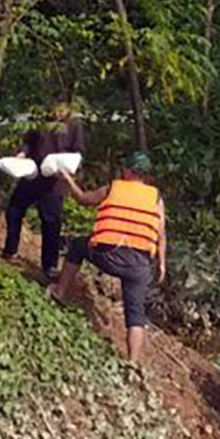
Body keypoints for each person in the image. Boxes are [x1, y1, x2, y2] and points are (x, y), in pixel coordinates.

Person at [49, 152, 165, 364]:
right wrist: (162, 265)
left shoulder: (113, 188)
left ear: (128, 171)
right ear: (145, 175)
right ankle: (132, 361)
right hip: (138, 266)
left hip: (107, 255)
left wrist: (68, 180)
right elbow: (160, 234)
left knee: (76, 246)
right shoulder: (156, 197)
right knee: (135, 312)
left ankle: (59, 291)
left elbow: (83, 199)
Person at [0, 103, 85, 281]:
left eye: (61, 111)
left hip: (55, 183)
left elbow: (78, 154)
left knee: (51, 223)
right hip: (33, 175)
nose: (57, 114)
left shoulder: (74, 125)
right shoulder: (39, 120)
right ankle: (10, 250)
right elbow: (28, 142)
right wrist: (22, 154)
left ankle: (49, 266)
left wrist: (67, 172)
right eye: (54, 110)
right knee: (14, 209)